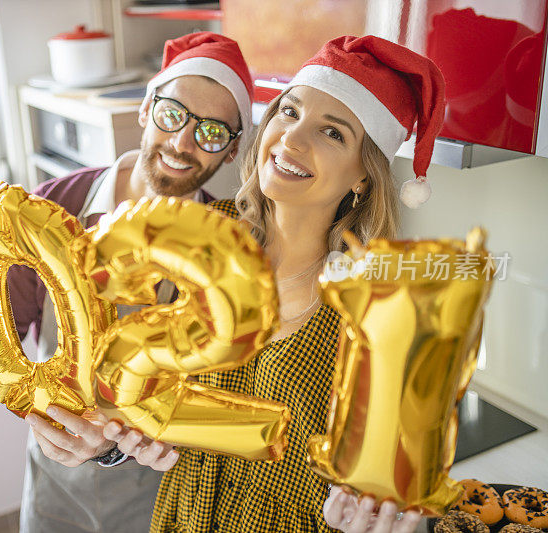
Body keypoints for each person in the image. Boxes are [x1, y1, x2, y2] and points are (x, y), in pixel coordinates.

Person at [0, 31, 253, 533]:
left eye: (211, 132)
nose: (183, 143)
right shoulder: (53, 209)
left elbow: (211, 396)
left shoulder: (225, 257)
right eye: (173, 115)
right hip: (56, 484)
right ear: (146, 110)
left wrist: (121, 443)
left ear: (230, 152)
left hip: (158, 493)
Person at [102, 34, 446, 533]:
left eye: (332, 134)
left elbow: (394, 472)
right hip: (182, 516)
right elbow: (154, 393)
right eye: (289, 112)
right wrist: (135, 438)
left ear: (362, 178)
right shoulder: (203, 241)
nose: (291, 139)